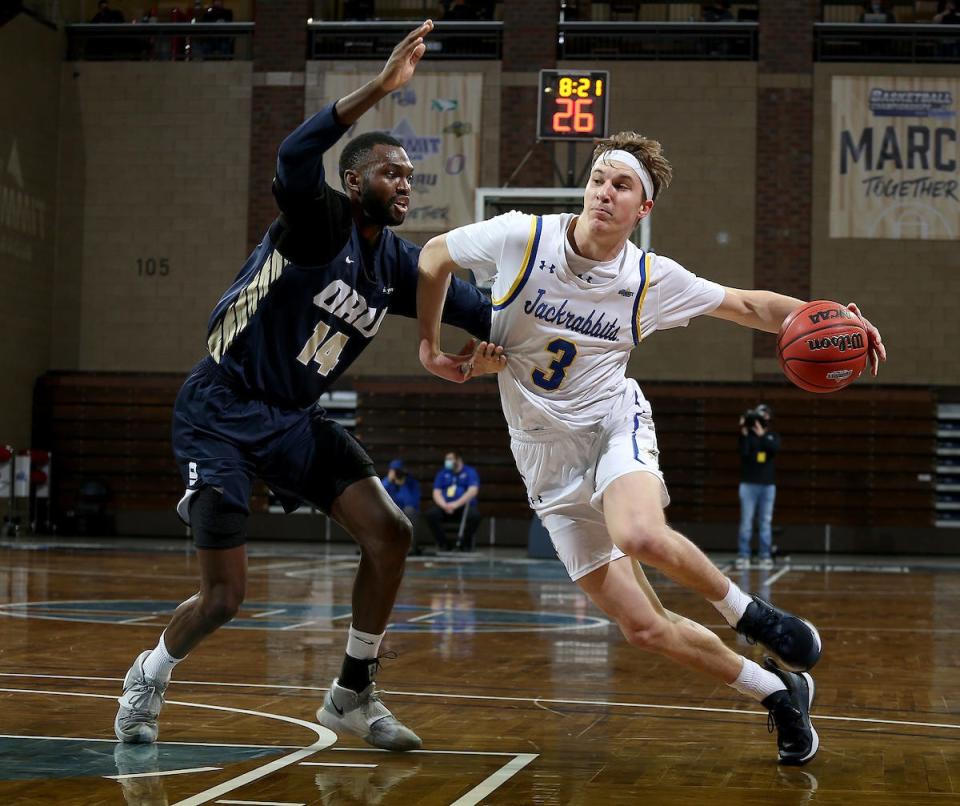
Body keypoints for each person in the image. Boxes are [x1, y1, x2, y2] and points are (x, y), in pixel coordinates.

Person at [417, 132, 886, 765]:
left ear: (644, 209)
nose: (604, 193)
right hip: (544, 462)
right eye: (598, 179)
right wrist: (431, 349)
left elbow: (748, 305)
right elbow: (434, 253)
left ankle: (750, 615)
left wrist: (836, 319)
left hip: (613, 424)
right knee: (642, 628)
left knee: (638, 532)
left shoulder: (648, 278)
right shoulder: (520, 237)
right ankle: (778, 690)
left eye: (622, 186)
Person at [113, 20, 503, 754]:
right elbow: (295, 153)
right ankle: (149, 674)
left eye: (412, 177)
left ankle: (353, 692)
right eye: (392, 172)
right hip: (220, 410)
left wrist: (543, 323)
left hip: (291, 418)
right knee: (226, 596)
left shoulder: (400, 266)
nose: (405, 184)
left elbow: (478, 307)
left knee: (390, 532)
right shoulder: (318, 221)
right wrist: (381, 89)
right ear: (355, 181)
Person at [737, 403, 778, 570]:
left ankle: (764, 555)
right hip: (748, 484)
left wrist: (762, 436)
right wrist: (744, 432)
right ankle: (744, 555)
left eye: (764, 416)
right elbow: (744, 453)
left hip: (767, 485)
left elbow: (774, 449)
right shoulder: (747, 436)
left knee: (765, 522)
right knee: (746, 521)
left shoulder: (771, 436)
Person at [425, 450, 481, 551]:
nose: (447, 461)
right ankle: (444, 544)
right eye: (446, 459)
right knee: (431, 514)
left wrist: (456, 504)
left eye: (450, 459)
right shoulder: (442, 473)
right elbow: (436, 493)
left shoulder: (470, 472)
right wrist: (444, 505)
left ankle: (464, 545)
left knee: (475, 516)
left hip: (463, 507)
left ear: (458, 460)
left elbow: (473, 491)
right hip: (445, 507)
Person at [381, 459, 422, 553]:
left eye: (398, 471)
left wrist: (403, 486)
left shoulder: (412, 484)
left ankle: (410, 547)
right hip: (391, 512)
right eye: (395, 471)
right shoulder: (388, 483)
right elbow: (380, 495)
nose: (397, 474)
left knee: (410, 510)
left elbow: (411, 503)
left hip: (407, 513)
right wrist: (389, 480)